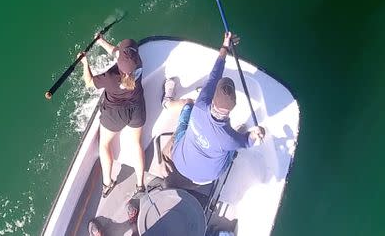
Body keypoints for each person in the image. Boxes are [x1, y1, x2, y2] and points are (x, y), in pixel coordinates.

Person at [161, 31, 265, 186]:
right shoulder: (229, 138)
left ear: (212, 96)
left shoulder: (200, 106)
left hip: (179, 162)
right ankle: (232, 146)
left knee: (187, 108)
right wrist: (257, 133)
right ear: (233, 106)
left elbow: (215, 74)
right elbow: (247, 142)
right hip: (204, 178)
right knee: (230, 149)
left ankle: (167, 108)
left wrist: (225, 46)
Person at [80, 35, 146, 197]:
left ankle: (108, 183)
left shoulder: (110, 78)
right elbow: (117, 52)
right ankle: (140, 185)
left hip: (115, 113)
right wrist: (101, 41)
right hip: (137, 109)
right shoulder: (138, 65)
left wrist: (85, 63)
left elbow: (89, 82)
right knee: (136, 144)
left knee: (104, 145)